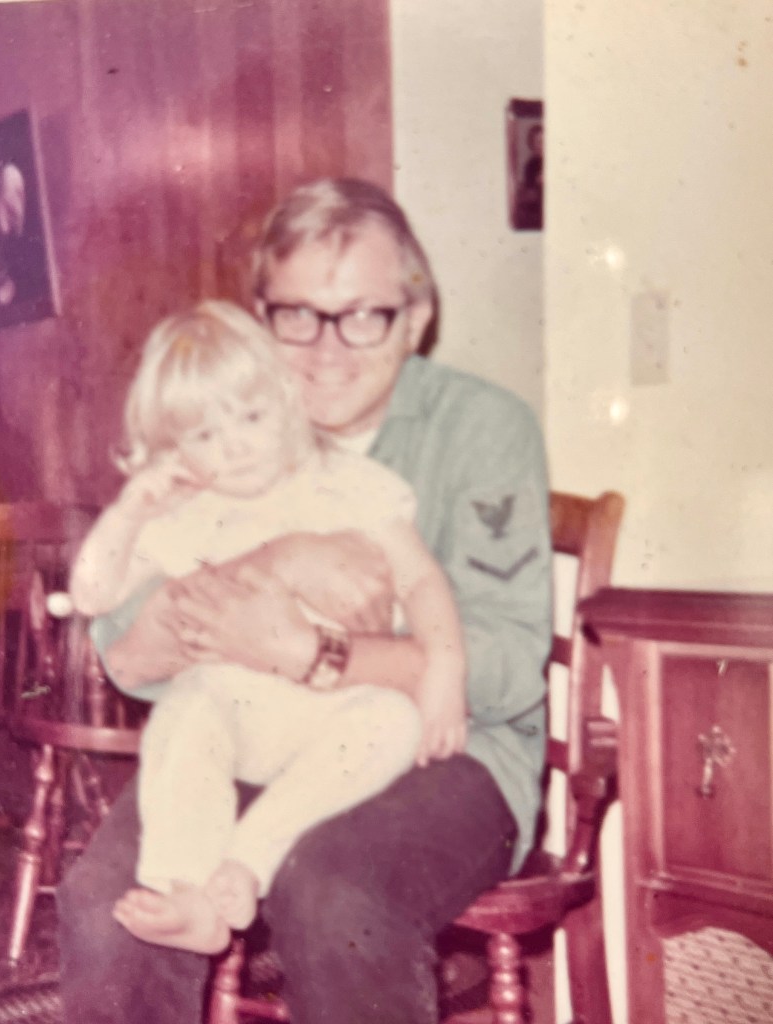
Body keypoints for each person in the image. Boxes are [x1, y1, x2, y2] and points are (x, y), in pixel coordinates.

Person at [57, 177, 551, 1024]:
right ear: (261, 319)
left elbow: (504, 668)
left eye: (363, 316)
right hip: (249, 731)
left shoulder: (481, 427)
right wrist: (279, 563)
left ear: (415, 317)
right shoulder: (231, 420)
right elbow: (127, 653)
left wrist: (315, 653)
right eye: (298, 316)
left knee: (331, 889)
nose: (327, 350)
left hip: (448, 752)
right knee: (109, 906)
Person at [68, 299, 466, 954]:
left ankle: (245, 863)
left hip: (332, 713)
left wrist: (445, 667)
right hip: (232, 714)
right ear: (174, 448)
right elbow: (91, 593)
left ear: (286, 396)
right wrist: (130, 510)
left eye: (250, 417)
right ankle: (183, 890)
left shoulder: (347, 484)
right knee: (185, 714)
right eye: (204, 435)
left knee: (393, 721)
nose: (234, 446)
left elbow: (421, 579)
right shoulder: (189, 512)